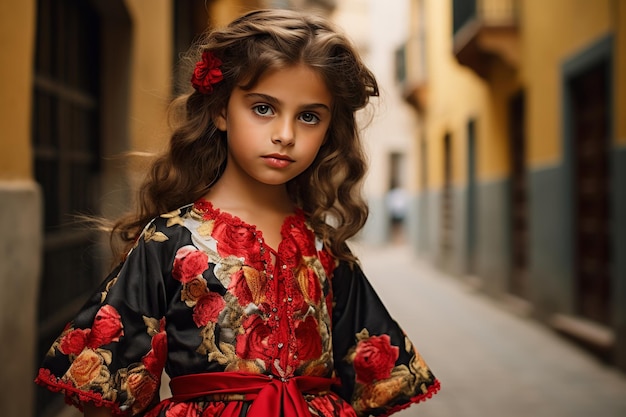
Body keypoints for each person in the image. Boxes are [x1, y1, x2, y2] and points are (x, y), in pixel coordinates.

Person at [35, 9, 440, 417]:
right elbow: (104, 388)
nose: (285, 134)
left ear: (329, 129)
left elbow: (380, 385)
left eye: (309, 116)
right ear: (221, 111)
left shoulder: (324, 249)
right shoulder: (170, 239)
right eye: (263, 108)